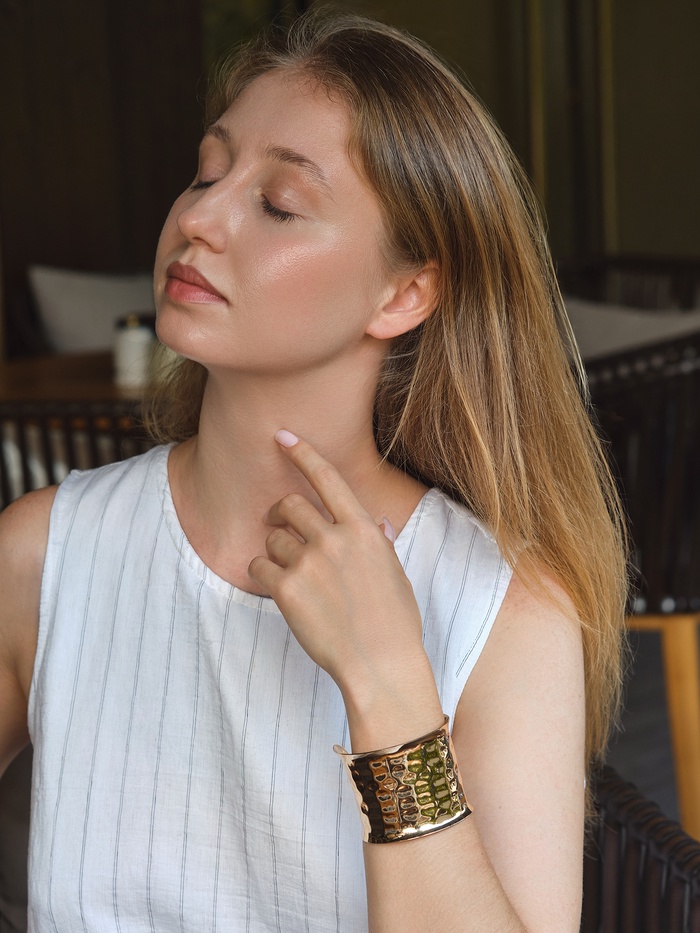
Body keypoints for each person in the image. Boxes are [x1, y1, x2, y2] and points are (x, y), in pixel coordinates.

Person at [0, 11, 627, 932]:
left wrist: (391, 690)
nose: (197, 218)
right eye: (207, 173)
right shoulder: (41, 555)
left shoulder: (508, 610)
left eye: (279, 204)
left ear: (403, 293)